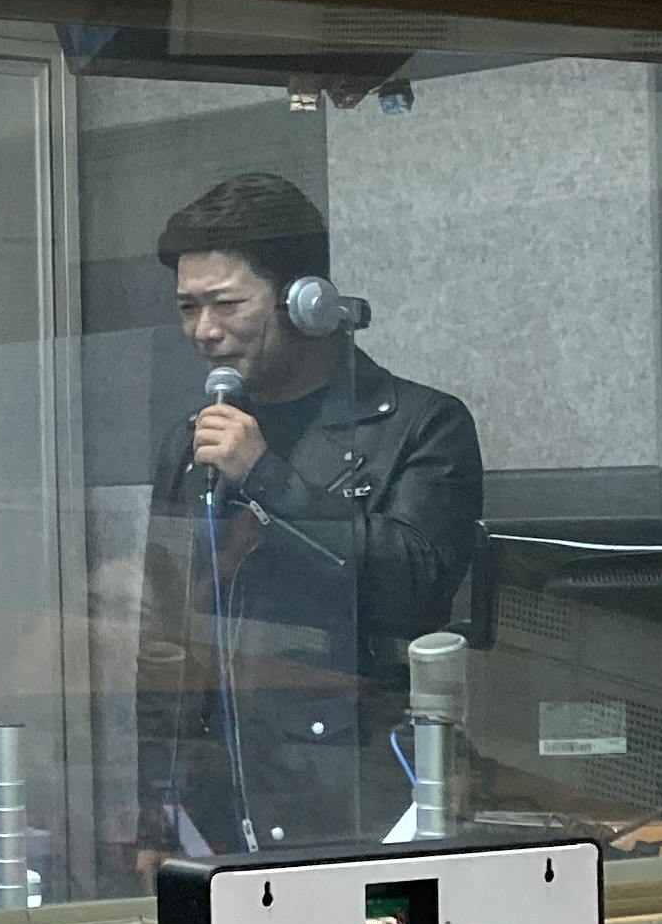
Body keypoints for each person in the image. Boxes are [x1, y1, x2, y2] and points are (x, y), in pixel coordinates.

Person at [137, 172, 482, 858]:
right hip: (213, 800)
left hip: (351, 792)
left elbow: (415, 589)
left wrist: (267, 477)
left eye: (226, 304)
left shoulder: (421, 425)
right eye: (187, 308)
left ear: (307, 302)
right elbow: (168, 633)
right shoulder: (193, 441)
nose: (204, 331)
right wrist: (154, 806)